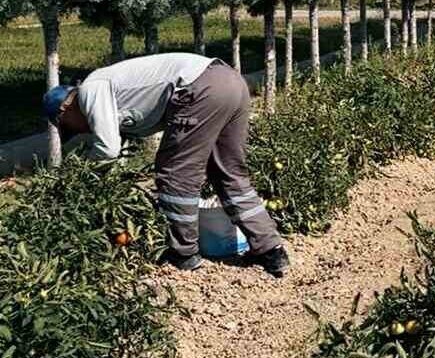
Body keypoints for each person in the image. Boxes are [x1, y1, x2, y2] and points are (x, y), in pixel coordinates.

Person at [43, 53, 289, 277]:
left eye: (70, 127)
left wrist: (82, 178)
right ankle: (270, 250)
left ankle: (184, 254)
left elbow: (108, 149)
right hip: (231, 82)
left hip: (201, 87)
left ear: (65, 109)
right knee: (229, 173)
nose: (80, 131)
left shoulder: (90, 90)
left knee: (176, 173)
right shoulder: (106, 93)